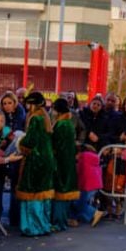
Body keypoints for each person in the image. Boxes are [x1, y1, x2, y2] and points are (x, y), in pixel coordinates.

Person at [15, 94, 56, 235]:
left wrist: (19, 142)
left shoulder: (35, 118)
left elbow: (30, 141)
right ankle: (44, 225)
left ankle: (32, 227)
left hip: (35, 160)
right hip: (46, 159)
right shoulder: (45, 117)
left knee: (32, 193)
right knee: (43, 195)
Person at [51, 95, 81, 227]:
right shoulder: (68, 124)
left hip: (61, 163)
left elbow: (57, 145)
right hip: (68, 162)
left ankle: (59, 221)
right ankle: (62, 220)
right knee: (64, 193)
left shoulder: (61, 125)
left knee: (60, 193)